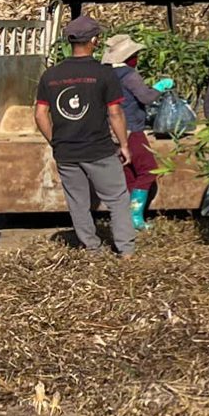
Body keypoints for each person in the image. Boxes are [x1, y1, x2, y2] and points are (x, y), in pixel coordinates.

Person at [34, 16, 135, 259]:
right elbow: (115, 113)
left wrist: (56, 141)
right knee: (117, 198)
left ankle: (92, 249)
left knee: (78, 202)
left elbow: (40, 114)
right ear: (94, 40)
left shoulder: (50, 75)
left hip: (66, 152)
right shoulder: (104, 74)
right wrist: (124, 144)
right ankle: (126, 250)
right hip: (99, 149)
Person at [100, 34, 160, 234]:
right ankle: (135, 216)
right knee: (148, 169)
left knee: (128, 172)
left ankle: (126, 217)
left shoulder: (105, 74)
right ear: (129, 57)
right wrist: (160, 88)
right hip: (131, 128)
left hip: (111, 131)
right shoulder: (129, 75)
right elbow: (146, 97)